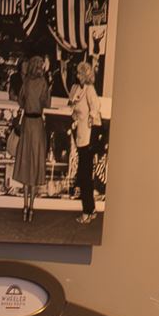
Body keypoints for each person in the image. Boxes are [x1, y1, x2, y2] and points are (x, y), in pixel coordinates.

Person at [17, 51, 54, 224]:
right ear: (41, 68)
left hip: (27, 124)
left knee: (25, 163)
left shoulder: (26, 82)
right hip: (38, 125)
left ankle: (24, 207)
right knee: (36, 163)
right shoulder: (43, 83)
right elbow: (47, 104)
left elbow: (20, 102)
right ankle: (32, 207)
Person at [69, 54, 105, 223]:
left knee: (84, 175)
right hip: (82, 136)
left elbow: (96, 106)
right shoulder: (80, 90)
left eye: (79, 73)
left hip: (88, 138)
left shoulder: (90, 89)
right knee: (84, 175)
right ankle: (90, 209)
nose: (77, 75)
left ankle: (87, 211)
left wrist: (90, 117)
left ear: (85, 74)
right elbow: (76, 108)